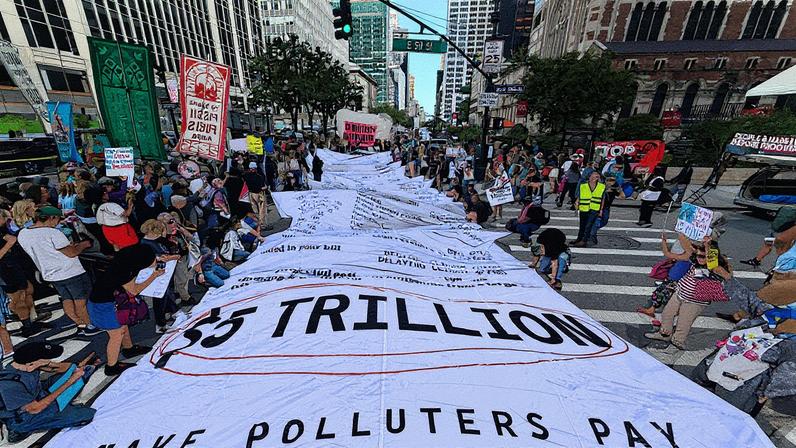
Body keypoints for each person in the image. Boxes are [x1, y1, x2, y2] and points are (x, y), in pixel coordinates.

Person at [17, 206, 100, 336]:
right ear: (51, 218)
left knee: (67, 299)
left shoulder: (23, 233)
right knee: (81, 301)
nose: (57, 222)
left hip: (51, 274)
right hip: (71, 272)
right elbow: (71, 253)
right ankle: (90, 326)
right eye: (57, 219)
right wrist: (83, 245)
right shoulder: (53, 233)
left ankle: (80, 324)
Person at [0, 342, 98, 443]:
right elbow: (35, 409)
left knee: (78, 374)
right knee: (87, 415)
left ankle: (59, 405)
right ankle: (18, 432)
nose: (48, 362)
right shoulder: (10, 385)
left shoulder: (22, 362)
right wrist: (70, 381)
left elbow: (57, 368)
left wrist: (74, 366)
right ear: (31, 365)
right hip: (26, 416)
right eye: (45, 361)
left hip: (37, 394)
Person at [645, 235, 729, 349]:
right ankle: (664, 334)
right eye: (698, 255)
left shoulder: (715, 267)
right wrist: (674, 237)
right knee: (667, 314)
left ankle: (678, 341)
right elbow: (679, 249)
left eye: (702, 256)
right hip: (680, 293)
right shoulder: (694, 259)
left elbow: (715, 265)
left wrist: (708, 245)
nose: (699, 258)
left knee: (684, 322)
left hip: (695, 301)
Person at [88, 244, 160, 375]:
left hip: (106, 299)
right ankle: (112, 367)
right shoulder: (125, 271)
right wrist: (154, 276)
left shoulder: (124, 259)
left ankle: (129, 348)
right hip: (103, 305)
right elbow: (134, 291)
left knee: (123, 324)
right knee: (116, 334)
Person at [0, 210, 48, 337]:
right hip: (5, 273)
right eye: (4, 217)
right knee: (17, 298)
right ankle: (27, 326)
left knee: (28, 291)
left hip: (14, 267)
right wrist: (9, 243)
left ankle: (31, 320)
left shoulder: (3, 230)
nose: (7, 219)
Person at [139, 219, 181, 333]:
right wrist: (173, 257)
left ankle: (172, 312)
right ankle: (160, 324)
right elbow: (158, 258)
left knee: (167, 293)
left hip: (165, 271)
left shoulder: (156, 240)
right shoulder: (145, 244)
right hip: (156, 274)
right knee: (159, 298)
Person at [572, 171, 605, 247]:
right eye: (593, 176)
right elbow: (580, 195)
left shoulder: (602, 186)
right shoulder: (583, 185)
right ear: (589, 177)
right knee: (582, 225)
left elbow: (603, 199)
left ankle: (584, 241)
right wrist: (577, 203)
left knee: (588, 225)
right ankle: (579, 238)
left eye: (597, 176)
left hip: (594, 208)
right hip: (584, 207)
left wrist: (601, 210)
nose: (595, 177)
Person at [243, 161, 268, 228]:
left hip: (250, 194)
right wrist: (265, 187)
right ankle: (262, 224)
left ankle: (256, 224)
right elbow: (262, 186)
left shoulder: (246, 176)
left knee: (254, 210)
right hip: (259, 194)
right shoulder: (259, 176)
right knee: (262, 210)